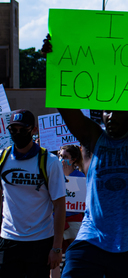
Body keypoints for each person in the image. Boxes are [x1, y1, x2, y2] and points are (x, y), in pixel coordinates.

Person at [42, 36, 128, 278]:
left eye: (119, 110)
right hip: (91, 238)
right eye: (107, 109)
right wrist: (53, 62)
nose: (111, 115)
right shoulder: (92, 140)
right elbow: (66, 106)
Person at [0, 109, 66, 278]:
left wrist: (57, 248)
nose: (18, 133)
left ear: (34, 130)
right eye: (13, 130)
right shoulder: (3, 158)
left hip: (40, 241)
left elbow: (59, 205)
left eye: (23, 129)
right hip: (8, 239)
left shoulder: (49, 162)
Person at [51, 145, 85, 278]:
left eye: (65, 157)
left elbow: (76, 194)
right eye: (60, 156)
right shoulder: (54, 173)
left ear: (74, 159)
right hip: (56, 219)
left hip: (74, 220)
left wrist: (66, 175)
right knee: (54, 254)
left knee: (73, 254)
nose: (61, 159)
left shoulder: (80, 176)